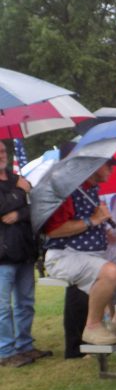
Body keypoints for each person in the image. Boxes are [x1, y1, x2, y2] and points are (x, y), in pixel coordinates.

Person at [43, 157, 116, 346]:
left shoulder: (90, 189)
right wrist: (93, 221)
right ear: (94, 166)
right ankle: (92, 326)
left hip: (91, 254)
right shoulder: (69, 191)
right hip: (64, 256)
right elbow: (53, 230)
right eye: (108, 165)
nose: (112, 169)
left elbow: (90, 221)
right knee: (110, 272)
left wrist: (103, 229)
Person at [0, 141, 51, 367]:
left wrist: (19, 214)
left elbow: (37, 207)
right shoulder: (20, 185)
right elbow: (2, 207)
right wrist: (21, 191)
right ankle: (6, 351)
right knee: (3, 307)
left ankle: (25, 346)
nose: (1, 155)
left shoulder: (17, 179)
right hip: (3, 256)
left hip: (24, 250)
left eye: (3, 150)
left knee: (26, 303)